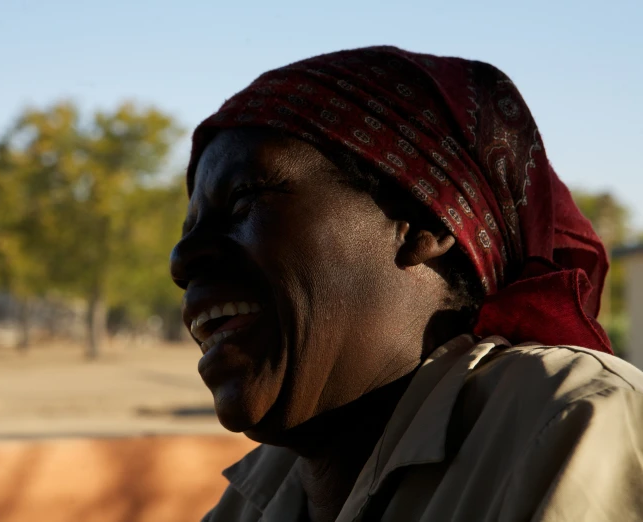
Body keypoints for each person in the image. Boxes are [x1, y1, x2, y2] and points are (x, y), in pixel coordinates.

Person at [169, 46, 643, 522]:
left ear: (424, 221)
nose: (182, 261)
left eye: (245, 196)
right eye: (189, 230)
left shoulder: (570, 424)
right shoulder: (252, 500)